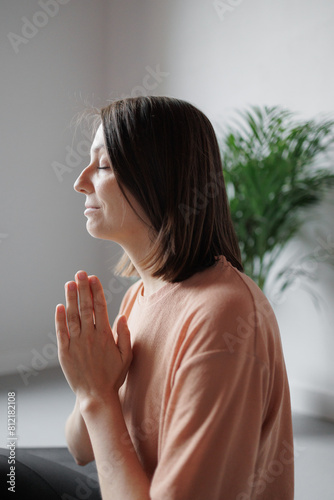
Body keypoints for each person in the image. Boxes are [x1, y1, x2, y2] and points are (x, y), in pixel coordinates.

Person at [54, 96, 294, 500]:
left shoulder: (222, 317)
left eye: (103, 165)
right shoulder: (139, 297)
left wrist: (97, 396)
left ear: (160, 177)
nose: (80, 181)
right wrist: (91, 386)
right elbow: (79, 448)